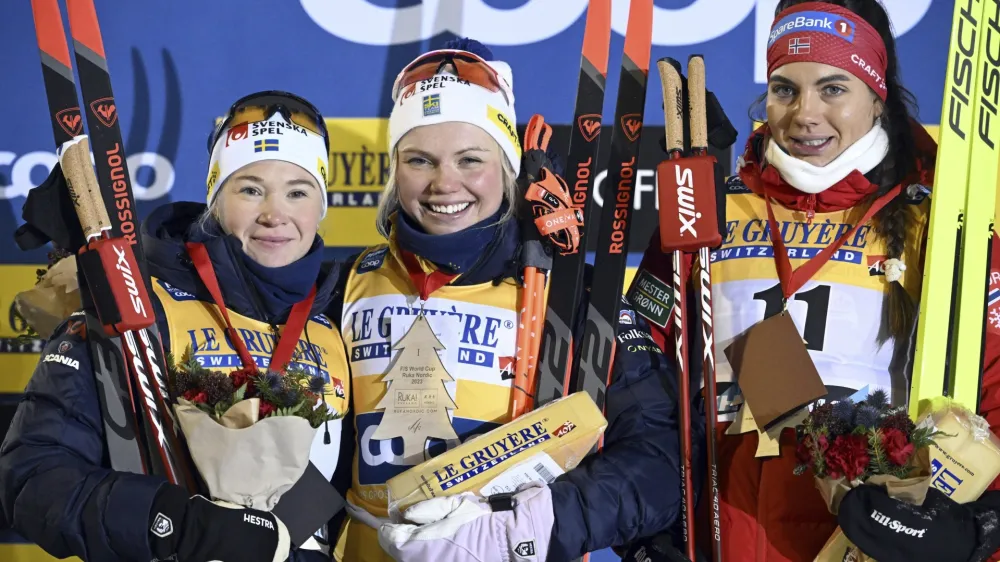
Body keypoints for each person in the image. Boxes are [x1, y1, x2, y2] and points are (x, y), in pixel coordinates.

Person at [625, 1, 1000, 561]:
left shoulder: (939, 226)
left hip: (862, 543)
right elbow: (642, 379)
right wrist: (644, 519)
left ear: (877, 97)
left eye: (832, 89)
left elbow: (992, 393)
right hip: (724, 536)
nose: (804, 113)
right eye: (784, 88)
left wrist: (979, 532)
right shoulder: (706, 210)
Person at [325, 38, 688, 562]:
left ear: (507, 166)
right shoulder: (347, 285)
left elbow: (659, 463)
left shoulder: (573, 296)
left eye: (470, 159)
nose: (444, 183)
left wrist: (530, 528)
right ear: (394, 168)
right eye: (420, 159)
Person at [0, 91, 349, 562]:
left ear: (320, 206)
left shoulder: (334, 326)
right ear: (215, 196)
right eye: (249, 188)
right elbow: (33, 477)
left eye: (298, 191)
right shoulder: (139, 308)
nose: (275, 213)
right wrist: (175, 524)